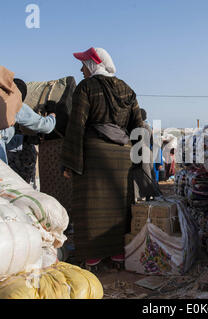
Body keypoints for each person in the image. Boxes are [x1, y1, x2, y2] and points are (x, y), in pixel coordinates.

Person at [61, 47, 144, 269]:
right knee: (120, 205)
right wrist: (138, 160)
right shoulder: (127, 90)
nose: (81, 68)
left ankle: (93, 257)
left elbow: (76, 125)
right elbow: (138, 126)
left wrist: (70, 163)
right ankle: (118, 254)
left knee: (90, 206)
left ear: (93, 64)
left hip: (94, 157)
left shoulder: (86, 87)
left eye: (84, 64)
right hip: (122, 156)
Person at [5, 78, 57, 188]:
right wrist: (52, 114)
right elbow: (46, 126)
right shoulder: (15, 105)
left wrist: (23, 139)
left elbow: (2, 137)